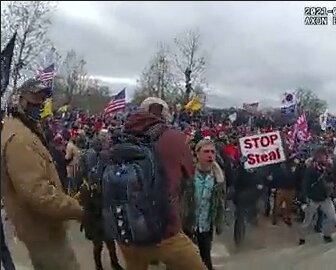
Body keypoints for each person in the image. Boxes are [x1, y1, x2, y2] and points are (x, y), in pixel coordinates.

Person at [1, 78, 83, 270]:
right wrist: (78, 210)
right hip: (42, 233)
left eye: (42, 99)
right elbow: (38, 193)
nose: (39, 104)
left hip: (40, 229)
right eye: (34, 98)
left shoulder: (24, 130)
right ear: (19, 100)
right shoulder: (20, 139)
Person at [116, 97, 207, 270]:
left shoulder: (120, 136)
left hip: (127, 227)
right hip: (165, 229)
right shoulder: (174, 137)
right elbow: (189, 174)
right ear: (165, 115)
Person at [77, 137, 124, 270]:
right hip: (95, 217)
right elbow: (86, 207)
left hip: (101, 215)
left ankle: (113, 263)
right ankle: (100, 266)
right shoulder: (87, 187)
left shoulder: (102, 179)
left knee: (109, 243)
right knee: (99, 245)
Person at [183, 139, 226, 270]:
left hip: (206, 227)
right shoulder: (188, 174)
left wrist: (219, 222)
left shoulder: (219, 177)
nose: (210, 155)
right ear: (197, 153)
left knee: (206, 261)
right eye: (206, 151)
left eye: (212, 152)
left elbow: (220, 202)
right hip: (187, 225)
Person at [298, 147, 336, 245]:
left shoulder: (329, 168)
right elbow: (305, 185)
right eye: (320, 156)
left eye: (324, 155)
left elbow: (332, 182)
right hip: (312, 199)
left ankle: (327, 235)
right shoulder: (311, 169)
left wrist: (334, 195)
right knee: (307, 221)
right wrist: (303, 200)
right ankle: (302, 238)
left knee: (333, 218)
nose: (323, 157)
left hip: (325, 198)